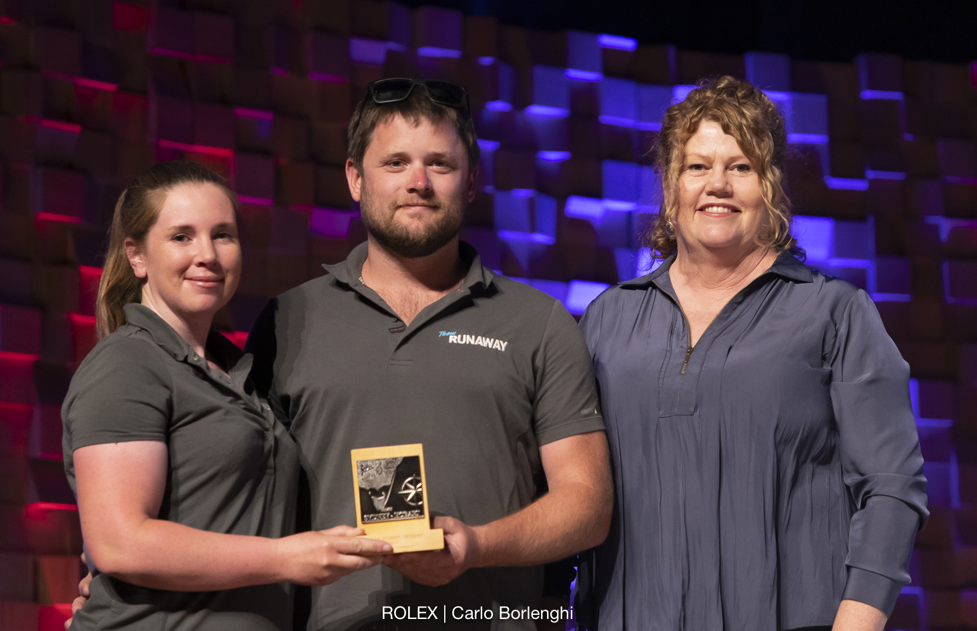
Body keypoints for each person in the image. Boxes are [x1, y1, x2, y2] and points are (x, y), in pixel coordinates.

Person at [246, 78, 613, 630]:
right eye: (395, 162)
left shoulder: (538, 323)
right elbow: (237, 487)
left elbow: (587, 505)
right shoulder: (288, 321)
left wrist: (477, 545)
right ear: (354, 178)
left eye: (439, 163)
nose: (417, 182)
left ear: (471, 183)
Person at [575, 76, 928, 631]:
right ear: (669, 188)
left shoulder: (834, 313)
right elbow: (571, 493)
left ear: (772, 187)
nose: (718, 184)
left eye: (741, 167)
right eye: (697, 167)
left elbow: (892, 489)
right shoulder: (606, 321)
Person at [62, 160, 390, 630]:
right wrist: (284, 557)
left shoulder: (242, 371)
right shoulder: (128, 364)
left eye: (223, 235)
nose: (207, 254)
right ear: (137, 256)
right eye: (181, 236)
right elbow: (120, 543)